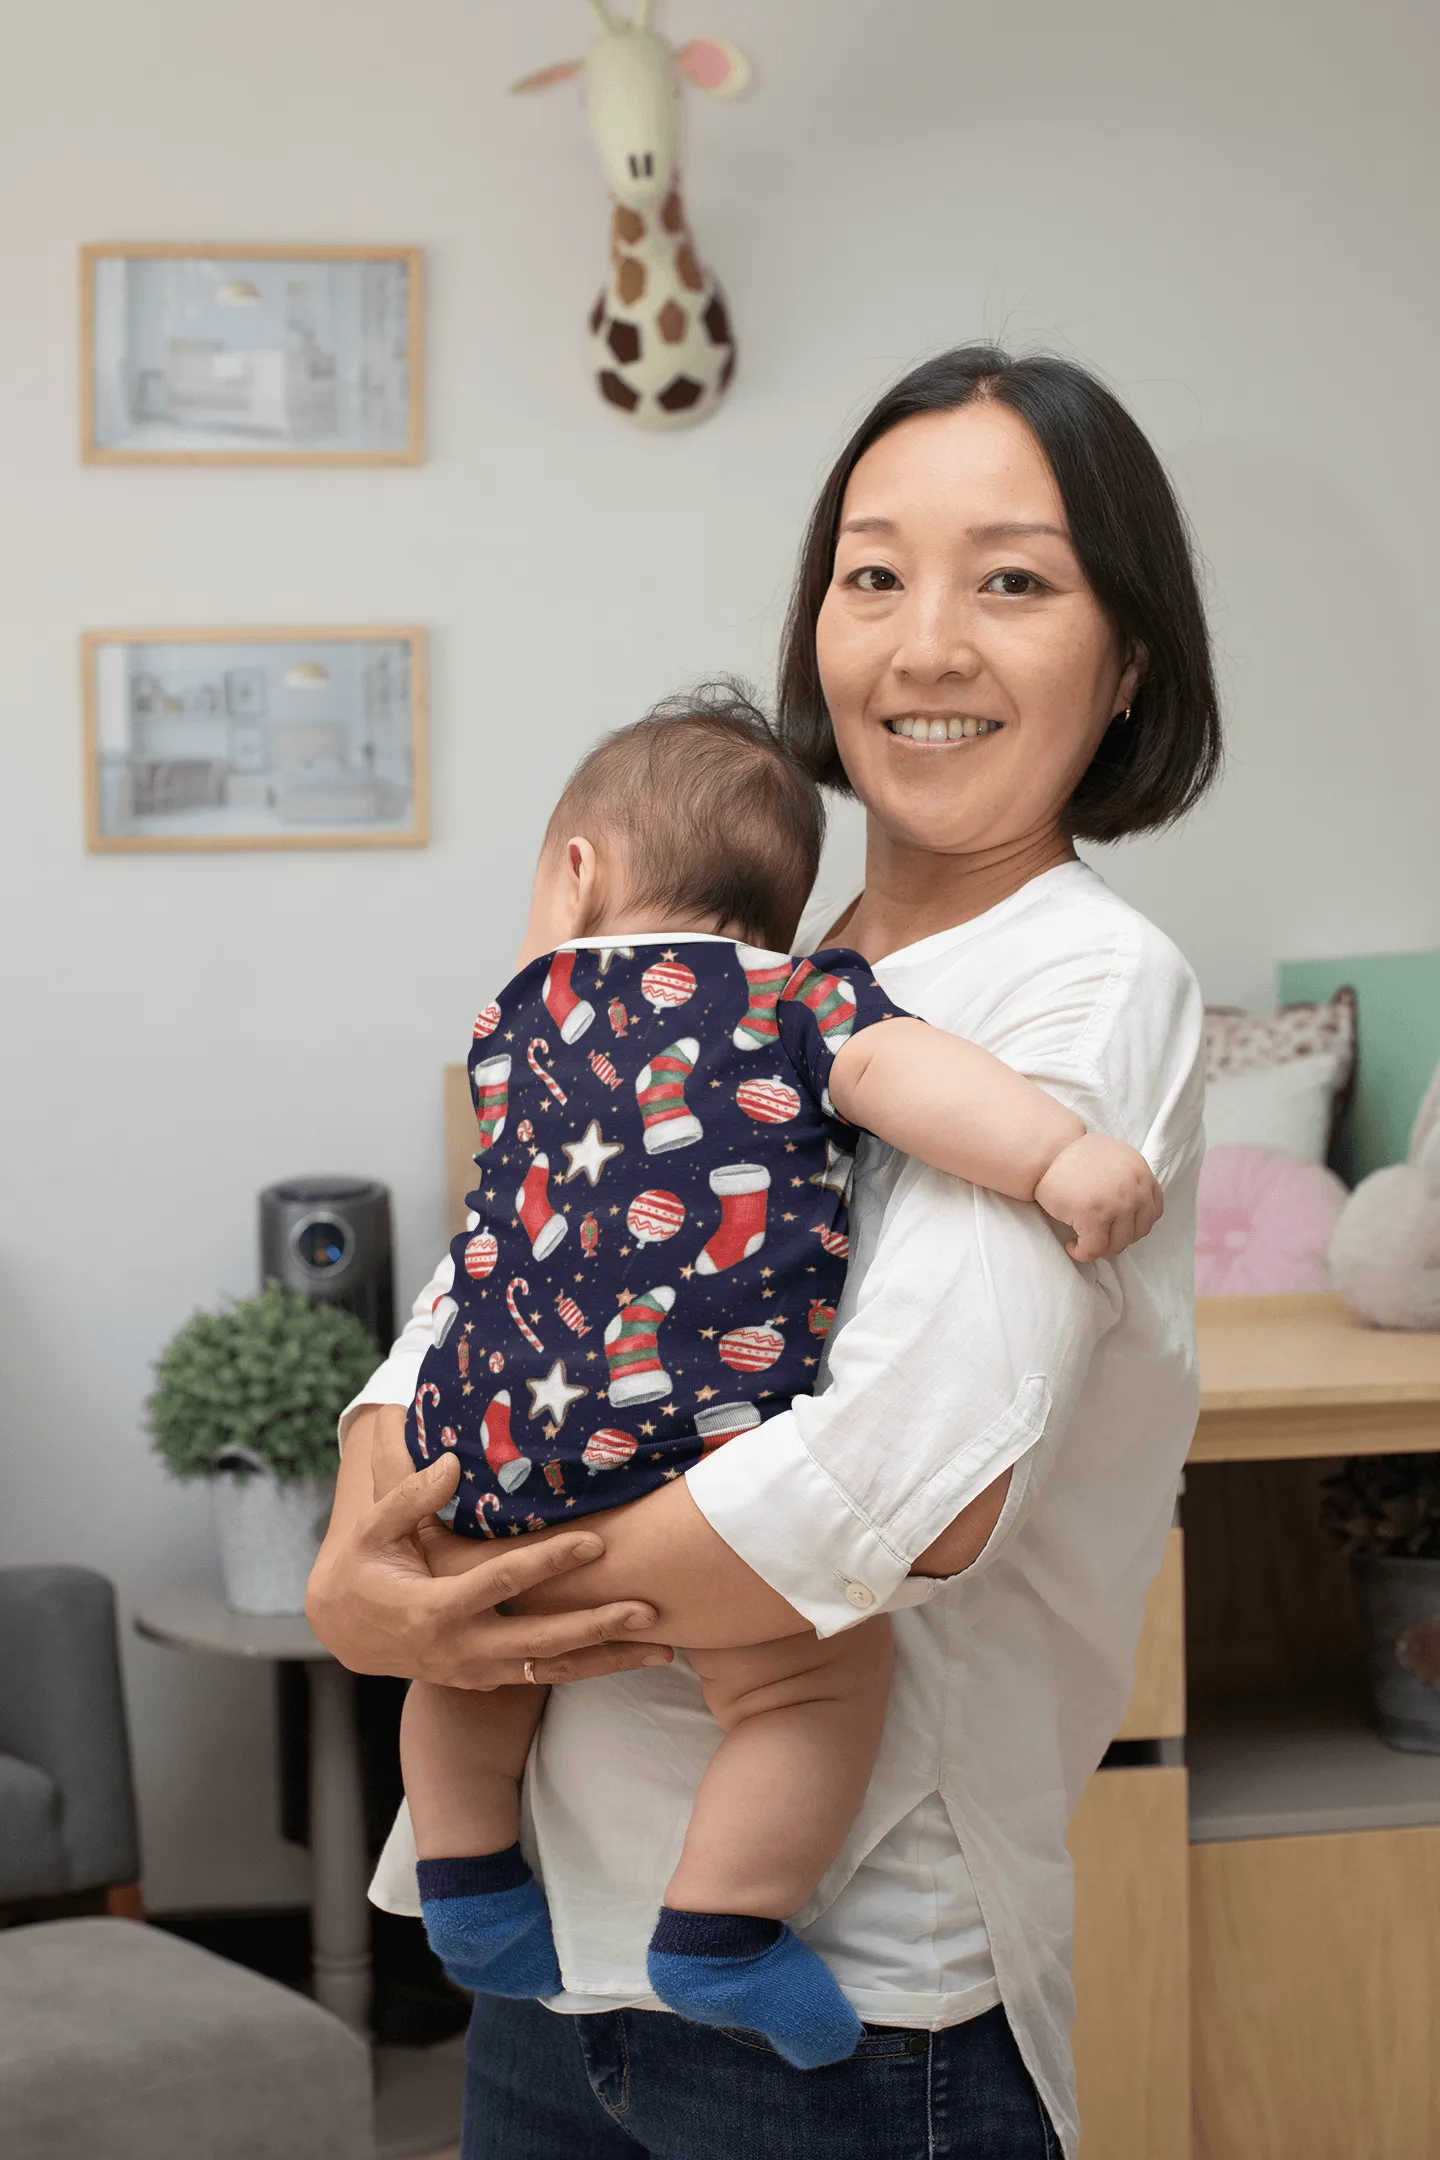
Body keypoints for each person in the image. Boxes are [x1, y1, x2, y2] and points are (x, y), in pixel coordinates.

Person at [306, 343, 1221, 2160]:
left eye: (1014, 581)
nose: (925, 642)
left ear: (1126, 666)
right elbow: (477, 1296)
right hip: (551, 1965)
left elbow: (904, 1498)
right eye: (873, 574)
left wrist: (447, 1604)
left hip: (851, 2009)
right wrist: (357, 1558)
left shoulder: (1077, 983)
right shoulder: (746, 962)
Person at [387, 698, 1161, 2070]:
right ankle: (721, 1931)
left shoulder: (515, 1024)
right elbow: (914, 1081)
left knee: (466, 1667)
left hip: (493, 1441)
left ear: (575, 872)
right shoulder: (794, 998)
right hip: (692, 1440)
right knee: (807, 1693)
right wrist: (1054, 1159)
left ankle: (468, 1891)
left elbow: (476, 1246)